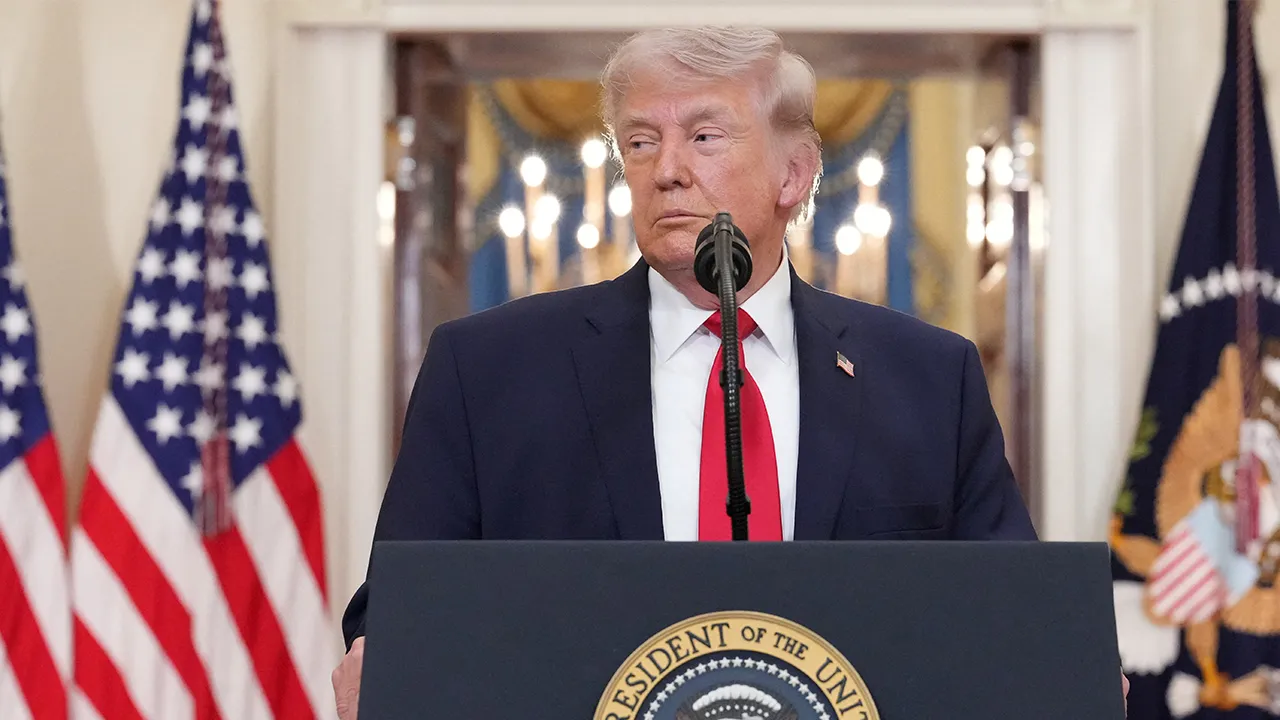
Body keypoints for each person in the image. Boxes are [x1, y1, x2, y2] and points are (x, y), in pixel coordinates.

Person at [332, 25, 1120, 719]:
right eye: (640, 142)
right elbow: (401, 615)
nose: (666, 169)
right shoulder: (488, 371)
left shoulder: (926, 378)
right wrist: (383, 660)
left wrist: (1062, 671)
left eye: (705, 137)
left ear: (794, 176)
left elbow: (1009, 617)